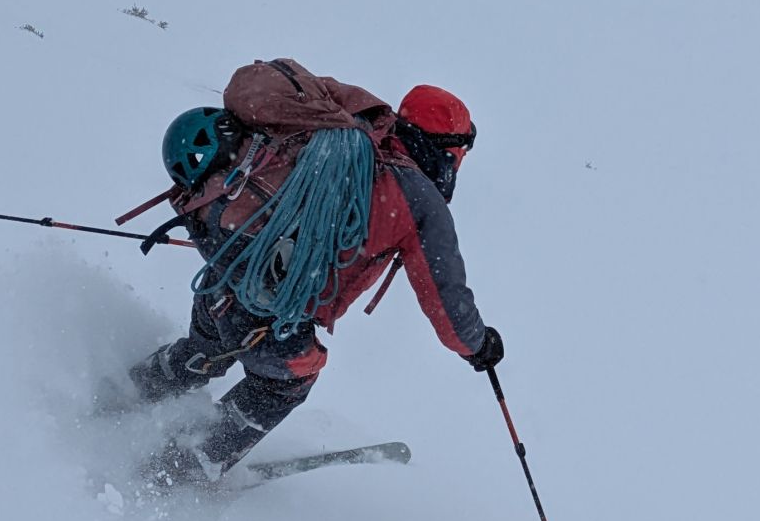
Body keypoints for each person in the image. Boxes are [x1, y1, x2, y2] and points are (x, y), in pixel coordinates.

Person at [123, 58, 501, 489]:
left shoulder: (349, 131)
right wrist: (479, 346)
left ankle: (124, 392)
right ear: (448, 152)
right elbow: (447, 304)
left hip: (225, 276)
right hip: (270, 313)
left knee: (205, 349)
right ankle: (177, 474)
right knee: (287, 380)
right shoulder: (419, 199)